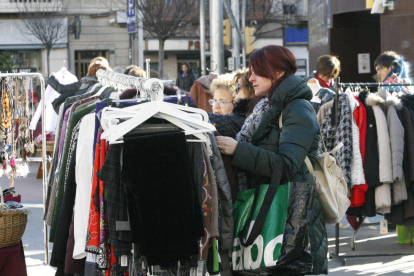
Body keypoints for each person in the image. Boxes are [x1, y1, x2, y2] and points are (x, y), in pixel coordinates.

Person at [216, 45, 328, 274]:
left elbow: (286, 165)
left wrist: (238, 150)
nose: (251, 77)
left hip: (291, 211)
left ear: (276, 72)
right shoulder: (267, 107)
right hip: (275, 207)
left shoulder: (296, 109)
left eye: (256, 71)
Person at [208, 69, 255, 138]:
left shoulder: (244, 120)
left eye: (223, 102)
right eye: (214, 100)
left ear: (235, 103)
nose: (216, 106)